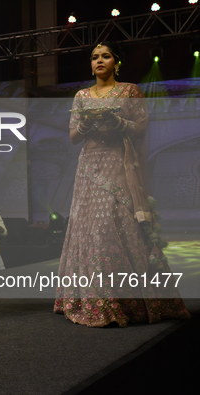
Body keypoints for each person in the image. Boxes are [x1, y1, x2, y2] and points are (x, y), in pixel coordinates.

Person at [53, 42, 190, 327]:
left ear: (117, 62)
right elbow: (73, 136)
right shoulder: (81, 95)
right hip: (89, 165)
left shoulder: (130, 90)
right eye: (94, 57)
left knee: (115, 224)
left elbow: (140, 127)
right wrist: (88, 125)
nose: (99, 61)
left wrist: (116, 122)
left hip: (119, 161)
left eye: (105, 56)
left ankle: (129, 299)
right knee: (88, 228)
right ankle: (95, 298)